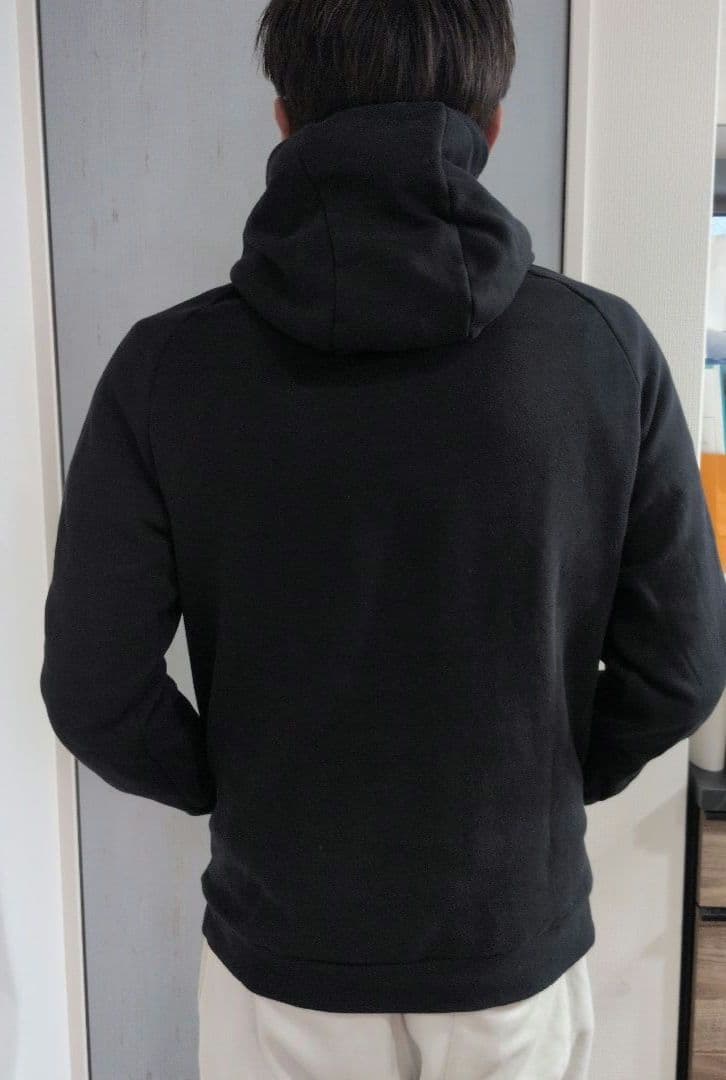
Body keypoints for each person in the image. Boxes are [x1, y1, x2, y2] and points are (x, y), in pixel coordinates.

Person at [39, 2, 726, 1078]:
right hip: (510, 955)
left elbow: (94, 691)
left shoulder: (166, 371)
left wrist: (239, 784)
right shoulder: (603, 354)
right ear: (491, 125)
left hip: (285, 963)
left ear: (283, 118)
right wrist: (541, 783)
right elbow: (681, 669)